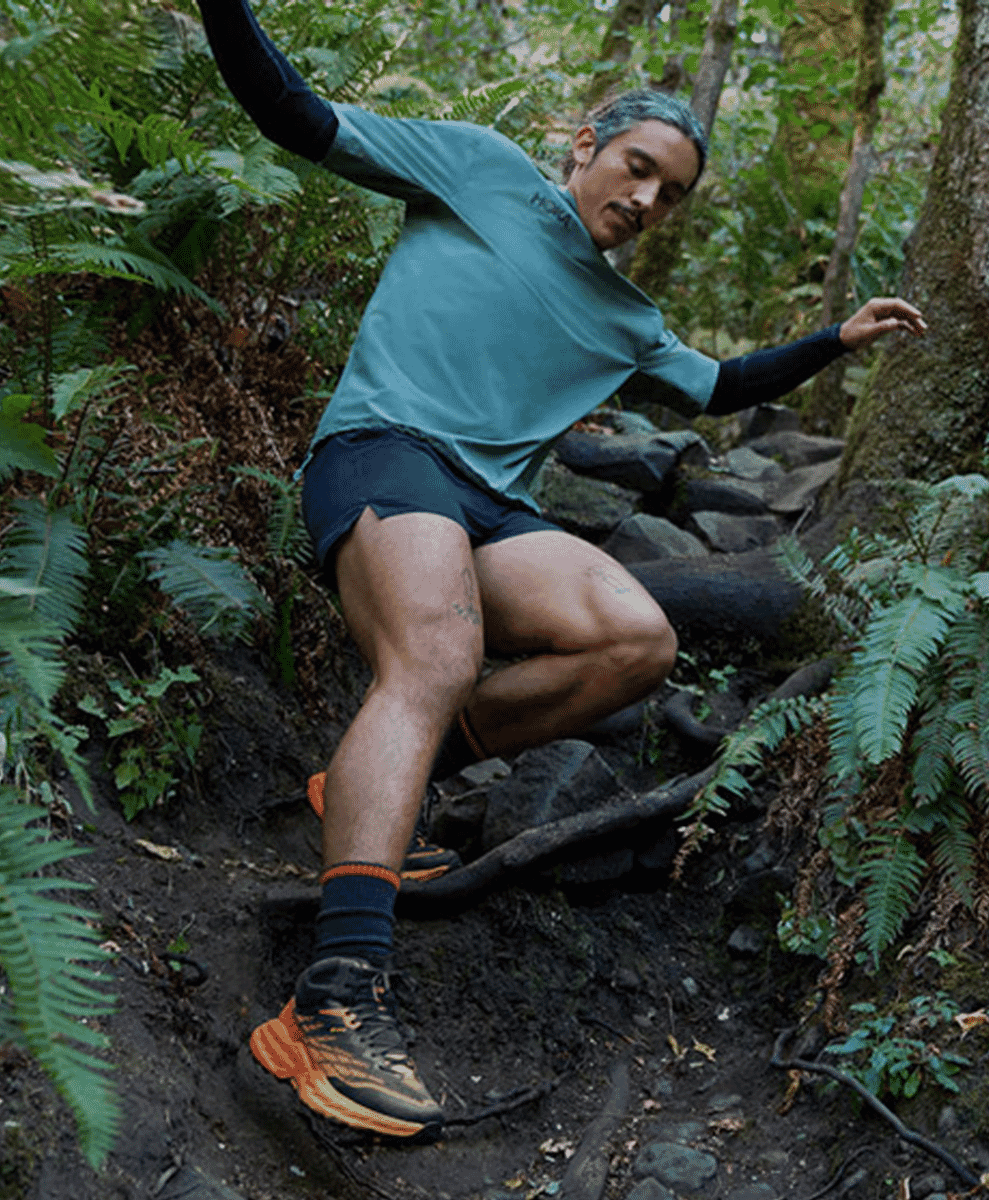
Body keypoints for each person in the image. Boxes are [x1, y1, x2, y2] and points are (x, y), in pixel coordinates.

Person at [196, 0, 927, 1141]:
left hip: (494, 506)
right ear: (585, 145)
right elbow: (291, 113)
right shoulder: (480, 172)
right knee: (435, 653)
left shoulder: (627, 319)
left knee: (636, 643)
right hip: (386, 446)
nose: (642, 201)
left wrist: (833, 343)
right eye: (635, 168)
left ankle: (376, 787)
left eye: (668, 193)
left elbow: (719, 386)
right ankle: (332, 1002)